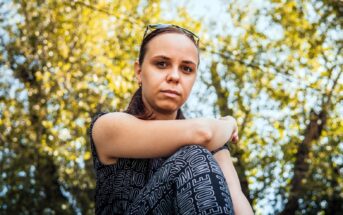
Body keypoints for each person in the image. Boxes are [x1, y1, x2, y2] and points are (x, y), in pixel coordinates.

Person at [89, 24, 253, 214]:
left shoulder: (214, 144)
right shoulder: (107, 126)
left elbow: (237, 201)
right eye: (161, 64)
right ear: (139, 71)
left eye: (186, 68)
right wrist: (229, 123)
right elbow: (204, 133)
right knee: (194, 155)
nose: (175, 76)